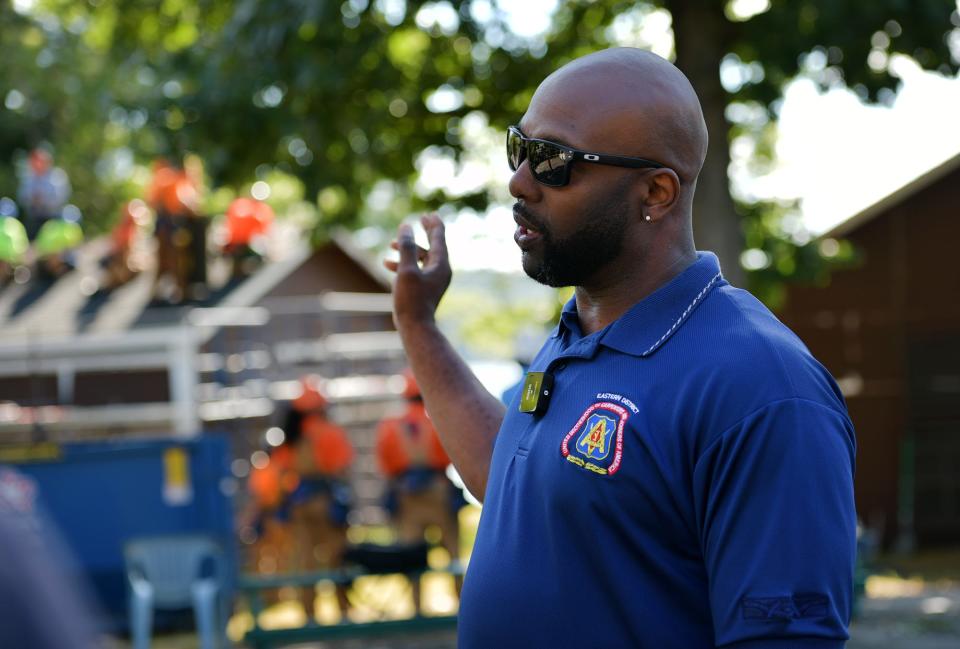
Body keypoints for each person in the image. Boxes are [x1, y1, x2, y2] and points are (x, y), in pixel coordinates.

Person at [385, 48, 856, 648]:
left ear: (656, 193)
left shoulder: (762, 389)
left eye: (553, 160)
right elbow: (515, 484)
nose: (519, 180)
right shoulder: (578, 333)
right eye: (519, 148)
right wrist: (418, 325)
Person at [375, 370, 462, 613]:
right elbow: (451, 456)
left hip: (406, 494)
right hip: (438, 490)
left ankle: (417, 608)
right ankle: (461, 604)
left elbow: (385, 461)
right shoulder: (437, 419)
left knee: (411, 552)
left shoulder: (390, 425)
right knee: (452, 550)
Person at [285, 375, 354, 620]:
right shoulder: (331, 432)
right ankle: (343, 611)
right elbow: (342, 468)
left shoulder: (289, 436)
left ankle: (309, 615)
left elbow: (280, 471)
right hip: (325, 498)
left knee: (306, 560)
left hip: (299, 502)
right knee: (336, 556)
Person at [16, 147, 71, 240]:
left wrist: (43, 200)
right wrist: (32, 199)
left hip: (54, 218)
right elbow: (21, 197)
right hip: (34, 218)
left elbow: (62, 197)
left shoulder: (57, 176)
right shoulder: (28, 177)